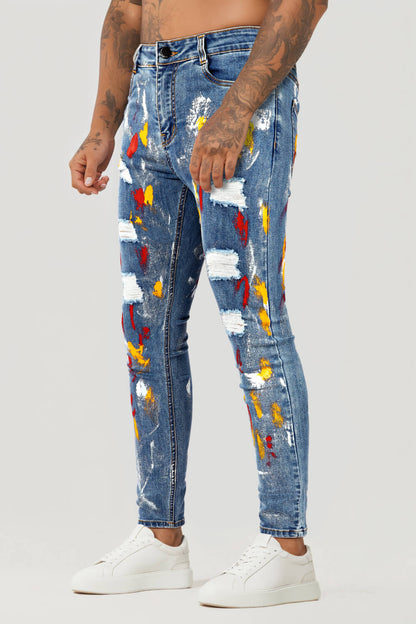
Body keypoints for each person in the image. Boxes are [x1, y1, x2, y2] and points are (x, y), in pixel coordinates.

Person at [68, 0, 328, 609]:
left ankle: (286, 547)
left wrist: (236, 108)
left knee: (253, 321)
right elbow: (127, 9)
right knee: (147, 328)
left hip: (231, 75)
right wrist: (103, 125)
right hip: (147, 89)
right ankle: (160, 536)